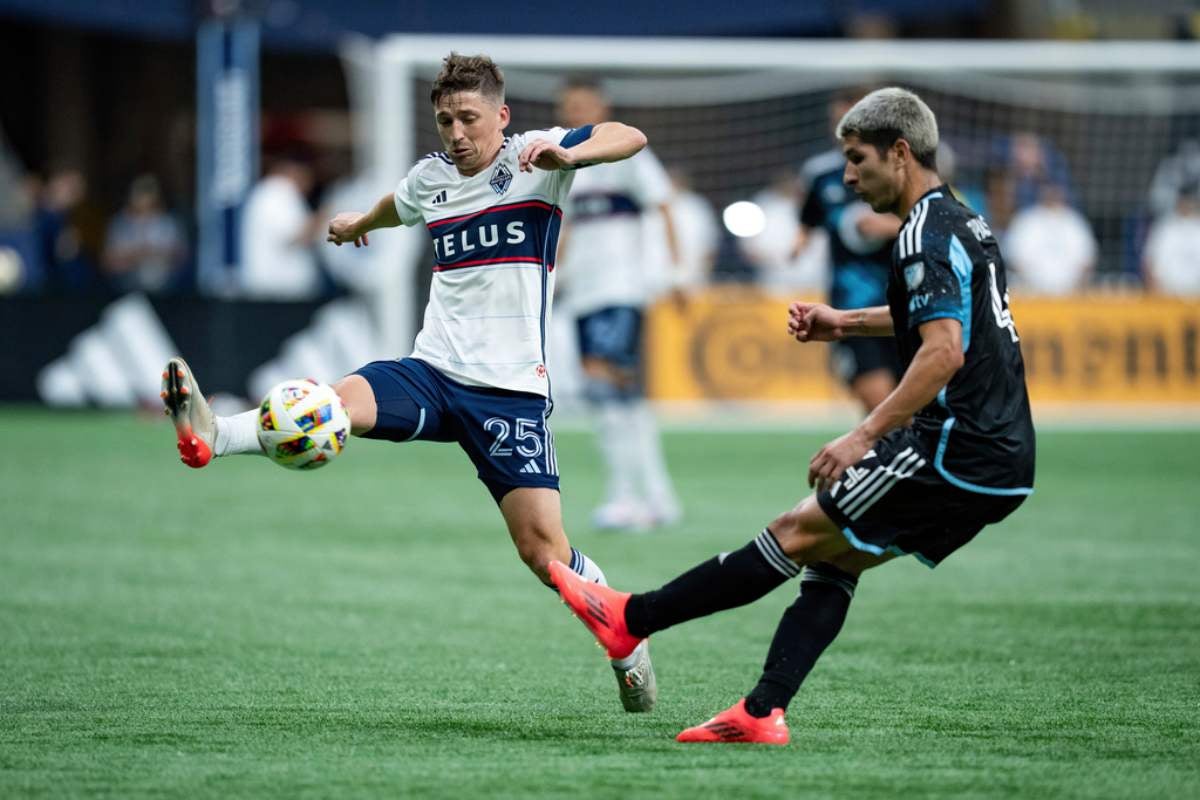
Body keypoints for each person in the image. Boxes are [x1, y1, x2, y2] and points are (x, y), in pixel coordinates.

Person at [161, 53, 658, 712]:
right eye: (446, 119)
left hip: (508, 393)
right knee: (332, 403)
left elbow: (628, 136)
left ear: (500, 116)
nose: (456, 131)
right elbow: (398, 206)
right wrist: (356, 225)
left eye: (469, 118)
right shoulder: (433, 178)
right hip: (431, 370)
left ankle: (625, 639)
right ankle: (212, 435)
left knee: (545, 554)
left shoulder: (534, 156)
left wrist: (572, 158)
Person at [551, 87, 1036, 745]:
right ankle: (760, 711)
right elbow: (950, 318)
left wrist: (864, 433)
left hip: (955, 447)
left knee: (795, 531)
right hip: (1004, 459)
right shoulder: (962, 219)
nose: (847, 176)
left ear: (899, 153)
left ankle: (632, 616)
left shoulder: (922, 232)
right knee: (838, 559)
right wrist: (848, 322)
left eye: (857, 159)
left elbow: (944, 351)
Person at [555, 77, 683, 531]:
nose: (576, 113)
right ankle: (657, 497)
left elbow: (664, 205)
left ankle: (627, 496)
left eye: (584, 104)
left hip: (620, 287)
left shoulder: (628, 154)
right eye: (569, 106)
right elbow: (566, 229)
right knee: (620, 394)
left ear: (602, 106)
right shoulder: (567, 164)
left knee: (606, 386)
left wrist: (673, 271)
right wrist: (555, 278)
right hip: (586, 293)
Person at [798, 90, 903, 413]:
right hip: (850, 307)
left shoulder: (899, 170)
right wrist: (791, 250)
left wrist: (889, 227)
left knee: (906, 410)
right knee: (878, 404)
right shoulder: (821, 175)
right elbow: (807, 223)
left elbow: (937, 218)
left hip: (902, 306)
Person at [239, 150, 325, 300]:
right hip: (279, 291)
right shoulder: (278, 191)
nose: (309, 186)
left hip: (276, 290)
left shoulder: (270, 192)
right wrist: (326, 216)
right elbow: (296, 237)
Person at [1005, 181, 1097, 295]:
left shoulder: (1075, 221)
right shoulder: (1025, 219)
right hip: (1030, 295)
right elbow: (1014, 259)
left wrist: (1076, 288)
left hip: (1070, 295)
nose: (1052, 193)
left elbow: (1087, 261)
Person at [102, 174, 186, 294]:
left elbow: (181, 257)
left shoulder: (169, 224)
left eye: (150, 208)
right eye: (139, 210)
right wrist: (134, 256)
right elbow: (107, 263)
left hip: (166, 293)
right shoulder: (120, 224)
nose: (145, 215)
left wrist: (158, 254)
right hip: (127, 292)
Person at [1144, 179, 1200, 295]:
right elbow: (1149, 262)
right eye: (1184, 200)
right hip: (1168, 295)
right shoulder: (1164, 227)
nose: (1187, 204)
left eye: (1190, 200)